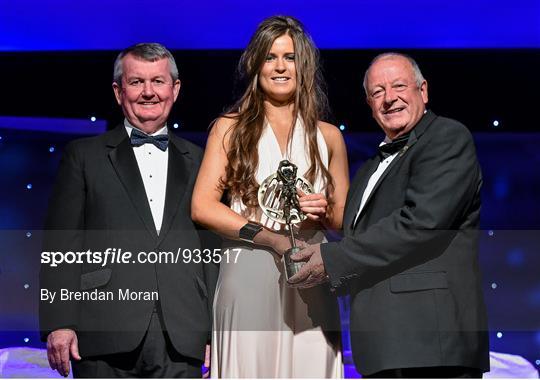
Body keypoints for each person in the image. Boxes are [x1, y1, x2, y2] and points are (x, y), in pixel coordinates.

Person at [289, 53, 490, 378]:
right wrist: (324, 214)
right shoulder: (369, 168)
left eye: (399, 86)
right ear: (369, 103)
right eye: (378, 91)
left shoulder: (447, 138)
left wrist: (331, 257)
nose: (389, 98)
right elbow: (361, 234)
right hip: (383, 347)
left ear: (423, 91)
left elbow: (421, 224)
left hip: (431, 343)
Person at [39, 43, 215, 378]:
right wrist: (59, 323)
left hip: (182, 334)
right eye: (136, 82)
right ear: (119, 92)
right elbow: (60, 246)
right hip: (102, 332)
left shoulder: (202, 159)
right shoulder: (83, 156)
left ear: (175, 89)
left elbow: (211, 250)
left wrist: (212, 333)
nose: (148, 92)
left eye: (158, 82)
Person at [191, 16, 349, 378]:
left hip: (311, 271)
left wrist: (323, 210)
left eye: (289, 57)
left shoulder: (328, 137)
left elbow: (342, 220)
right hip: (247, 270)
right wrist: (272, 239)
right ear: (255, 64)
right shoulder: (229, 128)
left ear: (304, 65)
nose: (280, 66)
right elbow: (202, 207)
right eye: (270, 57)